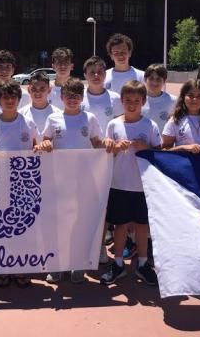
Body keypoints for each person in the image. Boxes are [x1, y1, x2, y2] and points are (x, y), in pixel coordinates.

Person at [36, 77, 104, 284]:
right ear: (62, 97)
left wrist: (109, 145)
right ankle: (55, 265)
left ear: (82, 98)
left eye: (76, 96)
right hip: (58, 180)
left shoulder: (90, 119)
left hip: (82, 180)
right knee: (57, 222)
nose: (72, 100)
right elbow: (45, 140)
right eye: (69, 96)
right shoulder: (53, 119)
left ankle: (77, 263)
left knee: (79, 222)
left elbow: (97, 143)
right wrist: (46, 144)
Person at [0, 80, 39, 288]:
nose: (10, 101)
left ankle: (21, 267)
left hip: (23, 183)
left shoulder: (28, 123)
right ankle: (2, 267)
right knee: (1, 226)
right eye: (5, 98)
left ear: (19, 100)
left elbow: (37, 146)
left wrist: (44, 146)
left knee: (22, 227)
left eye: (13, 97)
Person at [100, 80, 161, 286]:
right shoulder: (113, 124)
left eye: (136, 100)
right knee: (120, 225)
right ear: (121, 101)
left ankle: (143, 264)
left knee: (143, 226)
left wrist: (146, 147)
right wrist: (114, 147)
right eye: (128, 100)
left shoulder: (150, 125)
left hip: (143, 185)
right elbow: (107, 151)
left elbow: (159, 153)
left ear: (143, 101)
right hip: (119, 183)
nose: (132, 104)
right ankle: (118, 264)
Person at [81, 55, 123, 265]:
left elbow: (120, 125)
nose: (96, 76)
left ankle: (99, 247)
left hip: (109, 158)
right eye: (92, 72)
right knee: (84, 206)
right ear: (85, 75)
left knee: (103, 206)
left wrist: (112, 146)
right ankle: (82, 246)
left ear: (105, 74)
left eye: (100, 72)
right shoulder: (79, 97)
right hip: (83, 161)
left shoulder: (115, 98)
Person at [161, 79, 200, 154]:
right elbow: (164, 150)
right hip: (184, 165)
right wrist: (183, 148)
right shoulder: (175, 120)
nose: (195, 99)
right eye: (190, 96)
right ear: (183, 97)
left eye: (199, 96)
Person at [142, 63, 176, 132]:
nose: (154, 82)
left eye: (158, 79)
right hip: (141, 141)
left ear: (164, 81)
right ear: (145, 79)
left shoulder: (173, 101)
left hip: (163, 142)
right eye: (151, 78)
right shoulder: (138, 100)